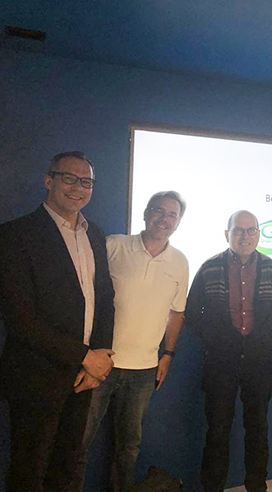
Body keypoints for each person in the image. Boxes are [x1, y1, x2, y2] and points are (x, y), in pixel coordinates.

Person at [0, 151, 115, 492]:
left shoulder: (94, 235)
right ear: (49, 180)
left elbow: (105, 300)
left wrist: (99, 361)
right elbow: (20, 319)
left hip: (83, 378)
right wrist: (85, 357)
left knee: (67, 468)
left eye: (86, 181)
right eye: (69, 178)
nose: (78, 188)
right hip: (36, 377)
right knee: (29, 473)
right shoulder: (15, 235)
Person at [71, 191, 189, 491]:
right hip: (100, 365)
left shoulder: (179, 261)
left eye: (172, 215)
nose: (164, 219)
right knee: (78, 442)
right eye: (159, 211)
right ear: (146, 213)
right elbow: (85, 296)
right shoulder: (114, 245)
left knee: (129, 448)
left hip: (144, 371)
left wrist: (168, 354)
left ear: (178, 223)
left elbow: (176, 312)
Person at [186, 210, 272, 492]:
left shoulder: (270, 267)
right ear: (227, 234)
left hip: (258, 361)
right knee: (217, 429)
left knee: (258, 427)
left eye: (251, 230)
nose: (245, 236)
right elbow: (192, 312)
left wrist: (259, 338)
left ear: (259, 234)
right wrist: (216, 340)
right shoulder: (209, 267)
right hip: (221, 362)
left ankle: (257, 486)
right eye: (238, 230)